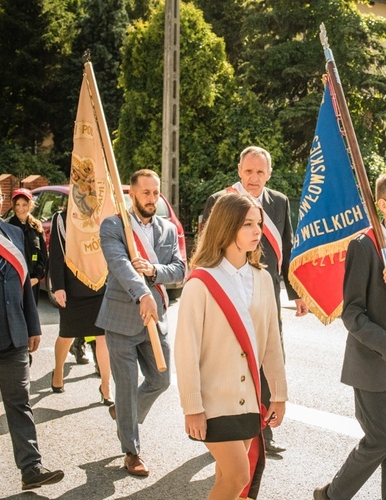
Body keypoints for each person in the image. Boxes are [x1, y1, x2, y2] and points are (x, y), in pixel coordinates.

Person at [314, 171, 386, 500]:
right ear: (382, 204)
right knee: (380, 440)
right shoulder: (365, 245)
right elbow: (352, 313)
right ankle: (332, 495)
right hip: (372, 360)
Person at [176, 193, 287, 499]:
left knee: (227, 477)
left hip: (250, 402)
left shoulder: (264, 279)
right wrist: (192, 408)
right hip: (213, 403)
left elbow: (272, 345)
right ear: (226, 227)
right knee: (239, 475)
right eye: (248, 224)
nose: (257, 230)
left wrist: (278, 395)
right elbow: (186, 352)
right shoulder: (200, 282)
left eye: (259, 223)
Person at [203, 145, 306, 458]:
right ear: (239, 171)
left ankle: (264, 432)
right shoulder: (221, 201)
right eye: (248, 171)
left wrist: (295, 292)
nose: (254, 177)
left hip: (267, 294)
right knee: (229, 361)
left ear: (269, 173)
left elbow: (286, 248)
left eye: (260, 171)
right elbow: (209, 249)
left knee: (270, 359)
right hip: (230, 293)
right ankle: (223, 429)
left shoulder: (279, 202)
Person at [96, 169, 185, 476]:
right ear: (131, 194)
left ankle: (123, 412)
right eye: (145, 193)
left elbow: (180, 270)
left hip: (155, 318)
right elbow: (120, 265)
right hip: (122, 318)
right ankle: (131, 451)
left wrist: (153, 270)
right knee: (125, 385)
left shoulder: (168, 229)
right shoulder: (113, 225)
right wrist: (141, 292)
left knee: (161, 380)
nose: (151, 199)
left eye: (156, 193)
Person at [0, 173, 64, 490]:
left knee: (20, 404)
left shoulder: (14, 234)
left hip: (13, 337)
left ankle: (31, 469)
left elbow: (24, 286)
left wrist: (32, 325)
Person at [48, 209, 112, 404]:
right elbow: (56, 254)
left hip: (100, 286)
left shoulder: (103, 212)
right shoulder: (61, 217)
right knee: (67, 334)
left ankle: (106, 386)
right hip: (72, 287)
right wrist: (58, 287)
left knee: (103, 338)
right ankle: (58, 370)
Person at [6, 188, 47, 304]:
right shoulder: (6, 226)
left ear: (30, 205)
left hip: (32, 282)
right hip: (14, 283)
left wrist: (37, 277)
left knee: (31, 318)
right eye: (17, 204)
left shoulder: (37, 227)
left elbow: (43, 256)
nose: (20, 208)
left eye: (24, 204)